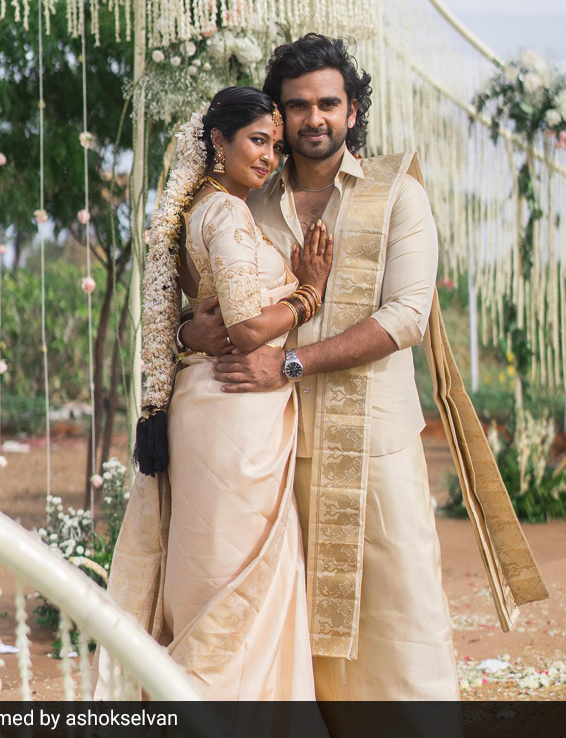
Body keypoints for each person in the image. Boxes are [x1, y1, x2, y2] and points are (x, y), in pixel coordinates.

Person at [180, 35, 546, 720]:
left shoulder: (396, 193)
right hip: (271, 454)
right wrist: (184, 332)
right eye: (297, 106)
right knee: (287, 637)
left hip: (375, 450)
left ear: (353, 111)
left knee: (401, 635)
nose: (312, 118)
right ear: (278, 115)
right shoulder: (249, 201)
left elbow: (407, 316)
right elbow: (202, 307)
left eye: (328, 103)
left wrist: (290, 361)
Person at [102, 87, 334, 703]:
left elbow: (202, 319)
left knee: (208, 570)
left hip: (210, 404)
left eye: (275, 147)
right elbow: (243, 328)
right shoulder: (228, 214)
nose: (268, 157)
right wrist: (307, 291)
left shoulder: (195, 211)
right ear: (218, 141)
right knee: (233, 575)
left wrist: (187, 329)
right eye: (258, 140)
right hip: (234, 416)